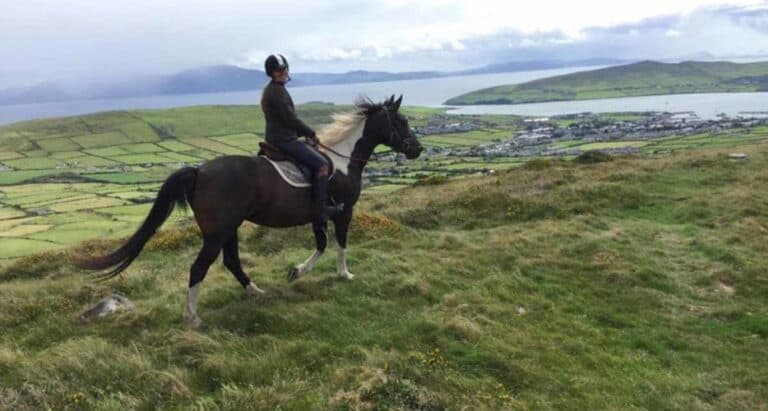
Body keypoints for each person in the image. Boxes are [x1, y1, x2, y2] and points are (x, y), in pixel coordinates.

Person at [260, 53, 343, 225]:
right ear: (272, 73)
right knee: (322, 165)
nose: (282, 72)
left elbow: (282, 120)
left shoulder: (275, 89)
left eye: (284, 69)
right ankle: (320, 210)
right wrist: (310, 132)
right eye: (278, 70)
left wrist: (301, 134)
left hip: (281, 137)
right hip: (284, 140)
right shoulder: (276, 92)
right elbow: (290, 119)